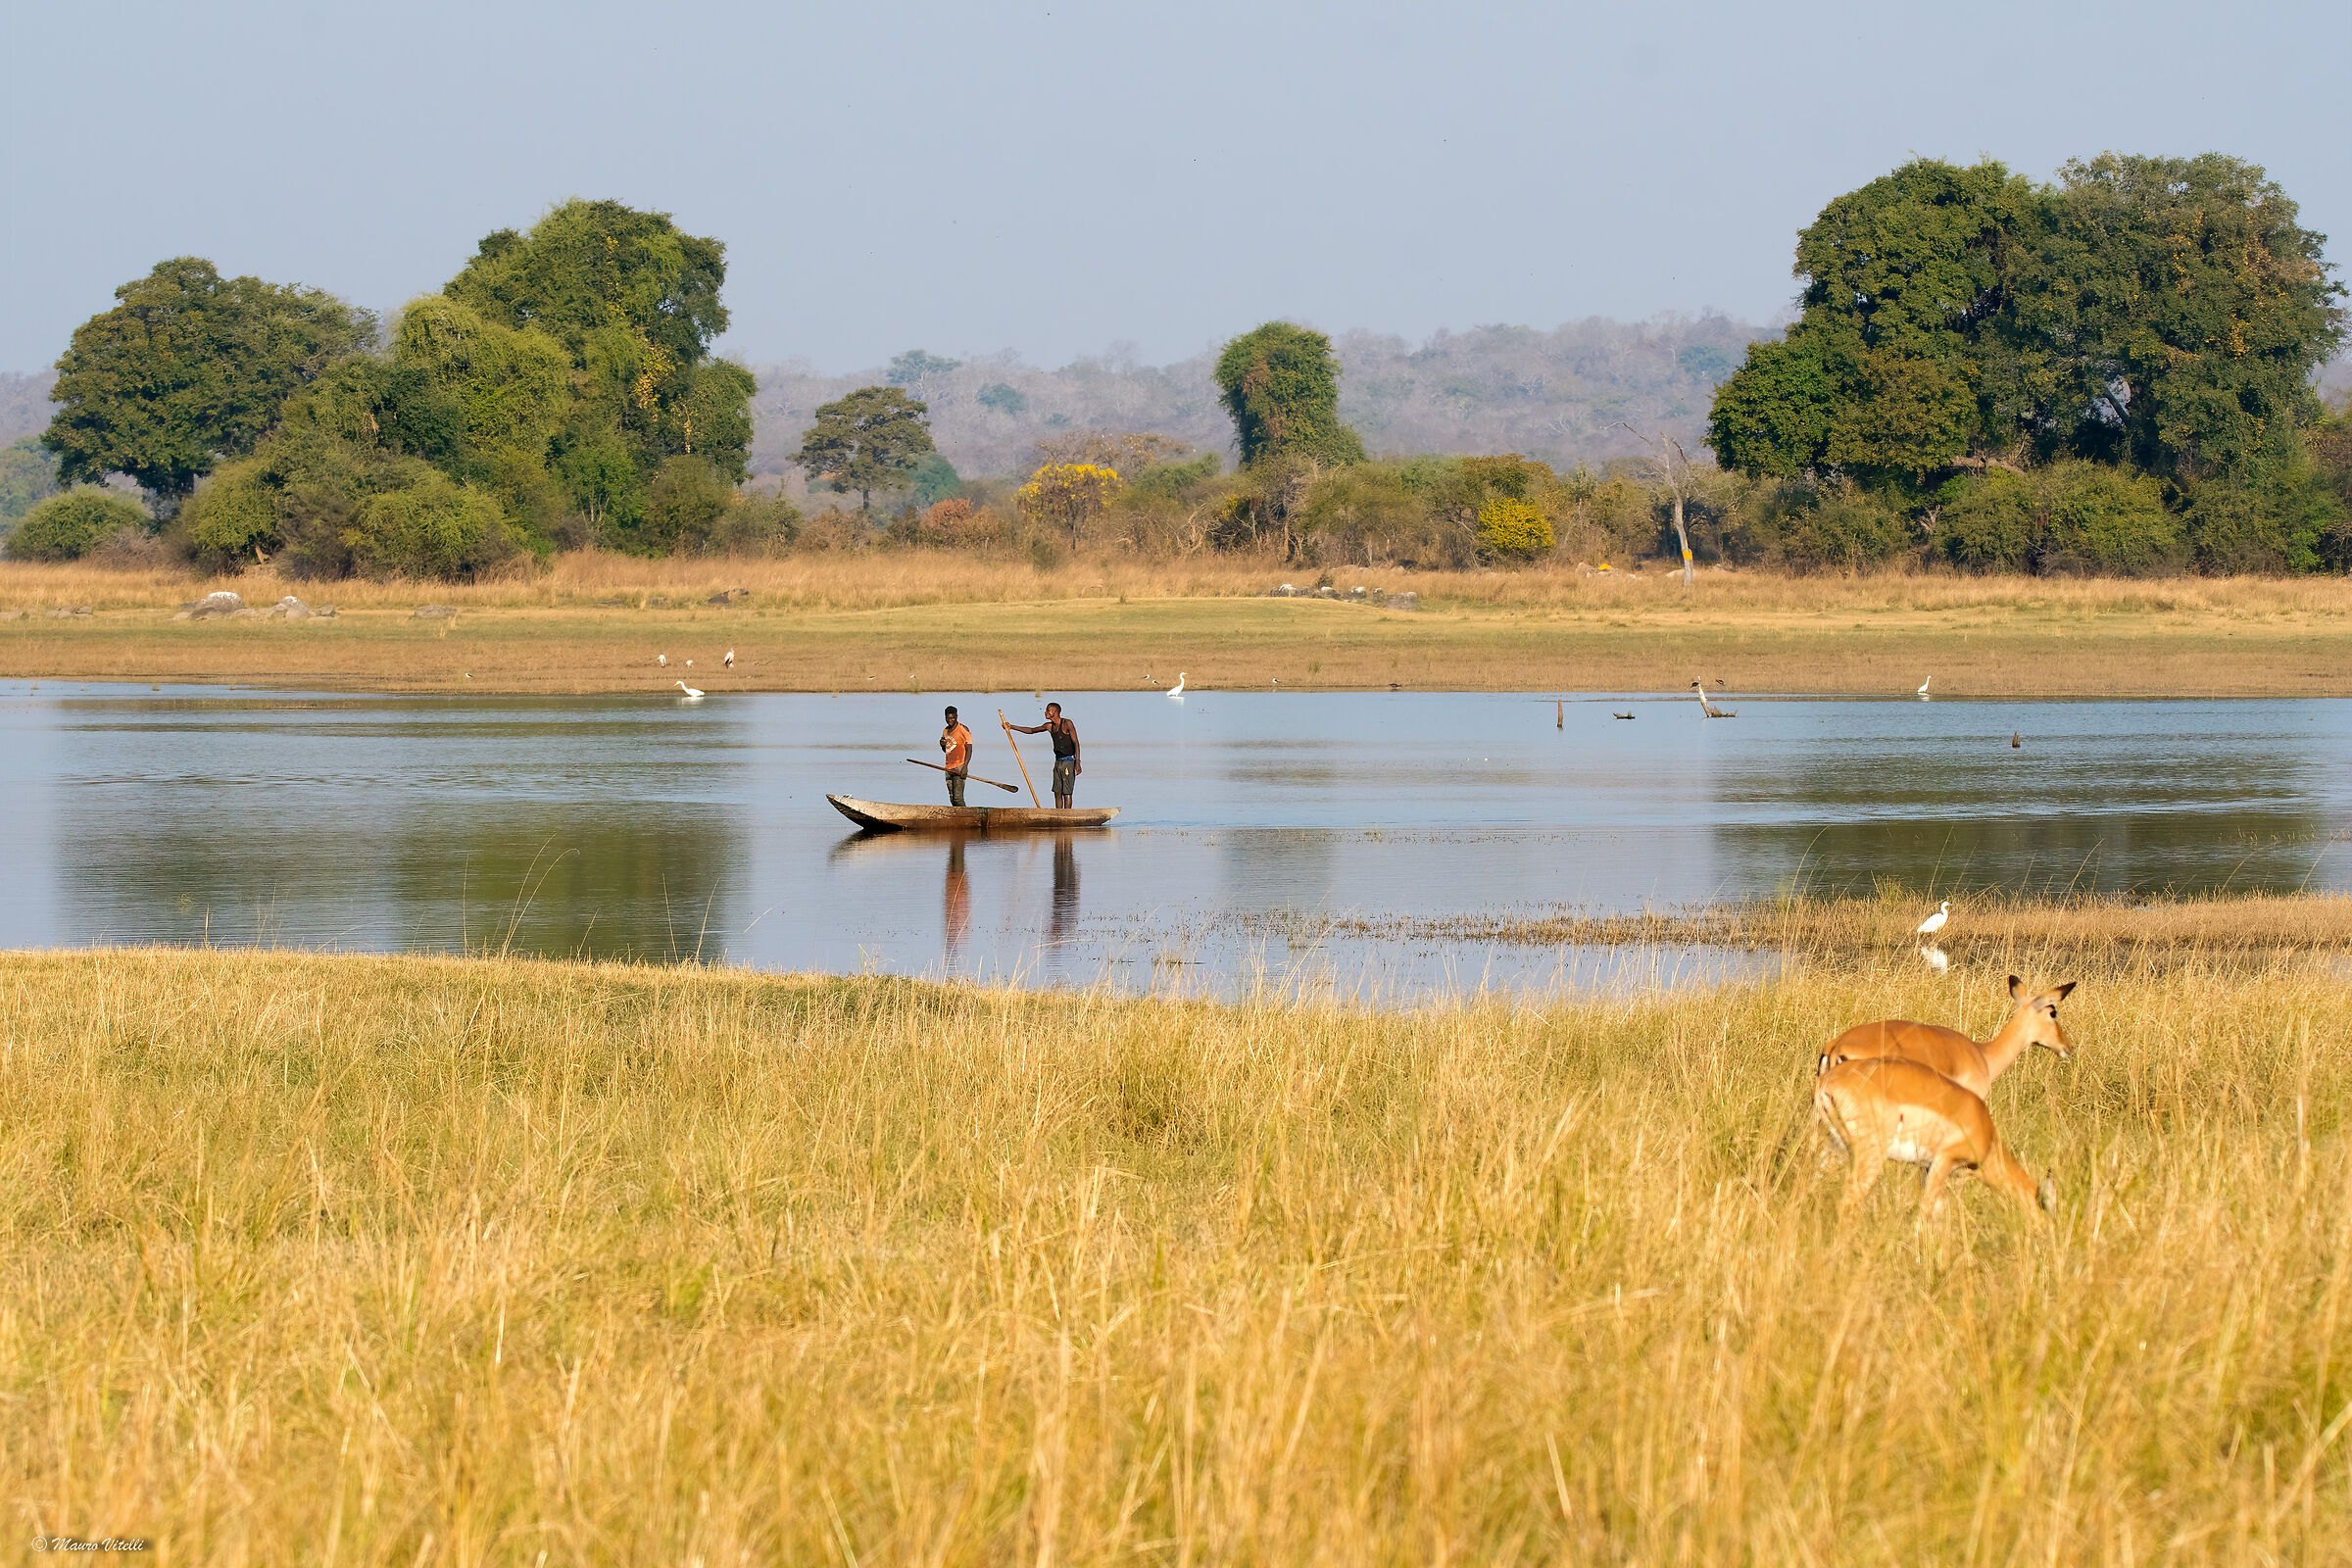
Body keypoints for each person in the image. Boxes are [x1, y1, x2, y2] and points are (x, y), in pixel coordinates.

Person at [1007, 702, 1081, 808]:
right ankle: (1058, 816)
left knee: (1067, 793)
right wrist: (1012, 727)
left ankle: (1067, 815)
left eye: (1048, 710)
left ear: (1054, 712)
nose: (1045, 712)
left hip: (1068, 761)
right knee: (1057, 792)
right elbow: (1032, 730)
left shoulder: (1067, 723)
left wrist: (1077, 763)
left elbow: (1076, 743)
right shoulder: (1049, 726)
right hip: (1058, 763)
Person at [939, 706, 974, 807]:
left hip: (960, 766)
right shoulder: (945, 731)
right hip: (948, 767)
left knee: (958, 798)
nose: (950, 720)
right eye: (948, 718)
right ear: (945, 717)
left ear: (956, 716)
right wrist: (942, 745)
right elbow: (947, 750)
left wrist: (965, 767)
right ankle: (957, 818)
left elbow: (969, 749)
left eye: (952, 718)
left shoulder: (963, 729)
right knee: (952, 798)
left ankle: (966, 818)